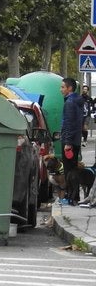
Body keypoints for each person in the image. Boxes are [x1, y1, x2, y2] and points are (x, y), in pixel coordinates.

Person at [59, 77, 84, 205]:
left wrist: (67, 143)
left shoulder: (69, 103)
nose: (61, 89)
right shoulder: (78, 101)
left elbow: (68, 124)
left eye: (63, 87)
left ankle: (70, 197)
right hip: (76, 141)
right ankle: (74, 196)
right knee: (73, 170)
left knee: (69, 172)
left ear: (70, 88)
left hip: (69, 142)